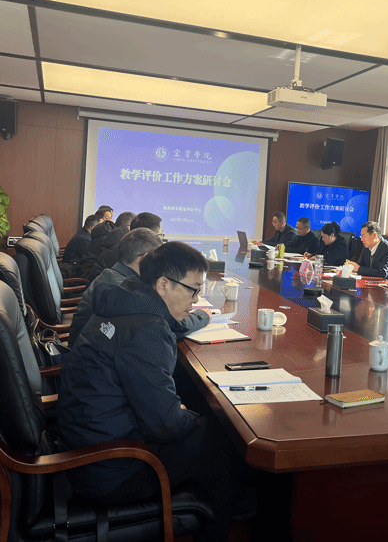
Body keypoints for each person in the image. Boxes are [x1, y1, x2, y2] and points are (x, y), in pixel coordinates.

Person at [58, 242, 240, 539]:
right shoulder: (147, 329)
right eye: (193, 290)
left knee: (197, 409)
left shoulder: (124, 300)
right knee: (222, 436)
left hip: (85, 448)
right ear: (163, 285)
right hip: (113, 470)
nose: (196, 300)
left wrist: (182, 410)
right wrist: (187, 414)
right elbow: (165, 425)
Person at [68, 228, 208, 347]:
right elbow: (170, 328)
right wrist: (203, 316)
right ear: (144, 259)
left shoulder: (114, 276)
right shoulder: (124, 289)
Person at [89, 211, 164, 280]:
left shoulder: (122, 245)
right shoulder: (126, 254)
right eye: (159, 235)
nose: (161, 240)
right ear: (147, 235)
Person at [80, 211, 136, 281]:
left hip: (90, 274)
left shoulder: (108, 232)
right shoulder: (117, 238)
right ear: (129, 226)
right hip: (91, 278)